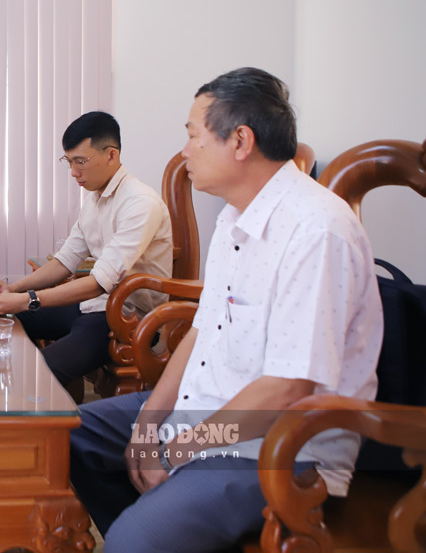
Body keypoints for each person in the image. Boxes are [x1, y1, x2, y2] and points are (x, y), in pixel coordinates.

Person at [68, 68, 384, 552]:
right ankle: (153, 527)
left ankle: (145, 532)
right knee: (69, 435)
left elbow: (286, 390)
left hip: (277, 446)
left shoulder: (317, 231)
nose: (185, 151)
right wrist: (152, 418)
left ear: (240, 141)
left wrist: (173, 451)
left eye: (193, 136)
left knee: (137, 539)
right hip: (205, 411)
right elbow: (202, 330)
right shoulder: (237, 215)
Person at [0, 111, 173, 386]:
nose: (73, 172)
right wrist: (14, 289)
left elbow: (98, 282)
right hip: (94, 307)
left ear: (111, 155)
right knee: (2, 314)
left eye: (80, 161)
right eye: (69, 162)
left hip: (128, 319)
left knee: (43, 372)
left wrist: (28, 298)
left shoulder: (140, 203)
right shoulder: (94, 201)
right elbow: (64, 262)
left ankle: (48, 421)